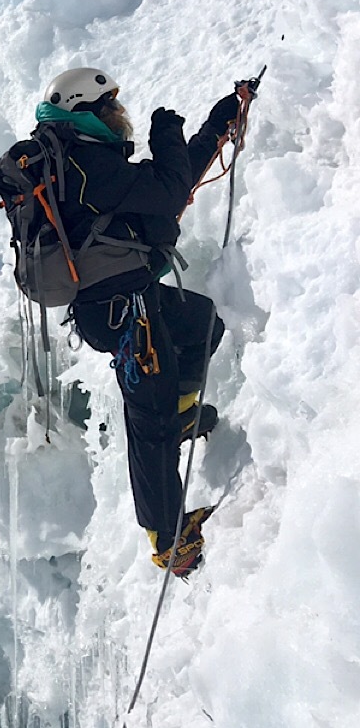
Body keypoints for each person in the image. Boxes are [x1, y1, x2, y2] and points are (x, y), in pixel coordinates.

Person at [35, 66, 251, 576]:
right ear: (87, 112)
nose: (120, 114)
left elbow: (169, 182)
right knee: (148, 420)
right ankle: (168, 539)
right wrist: (167, 132)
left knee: (200, 324)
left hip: (127, 299)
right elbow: (170, 190)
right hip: (121, 311)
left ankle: (181, 412)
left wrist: (224, 115)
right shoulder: (86, 164)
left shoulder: (87, 163)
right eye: (112, 106)